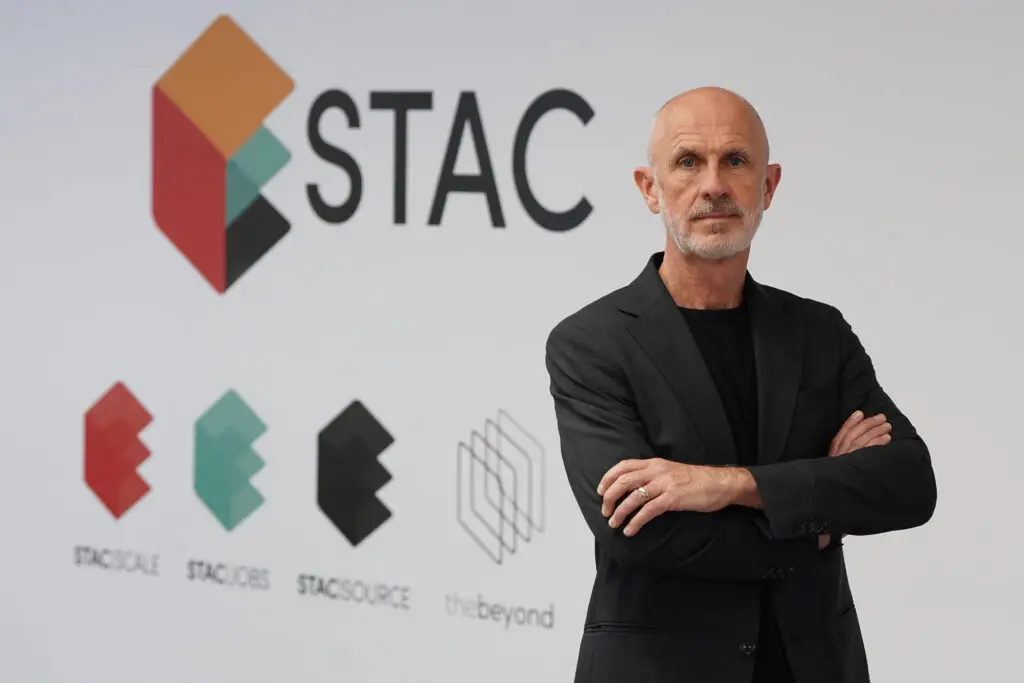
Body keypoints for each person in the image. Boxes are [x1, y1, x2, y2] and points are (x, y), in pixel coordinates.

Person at [543, 87, 937, 683]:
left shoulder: (818, 332)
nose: (714, 185)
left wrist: (724, 486)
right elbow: (641, 534)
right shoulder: (591, 343)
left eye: (735, 160)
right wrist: (816, 519)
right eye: (686, 162)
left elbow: (909, 482)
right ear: (650, 189)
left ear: (769, 185)